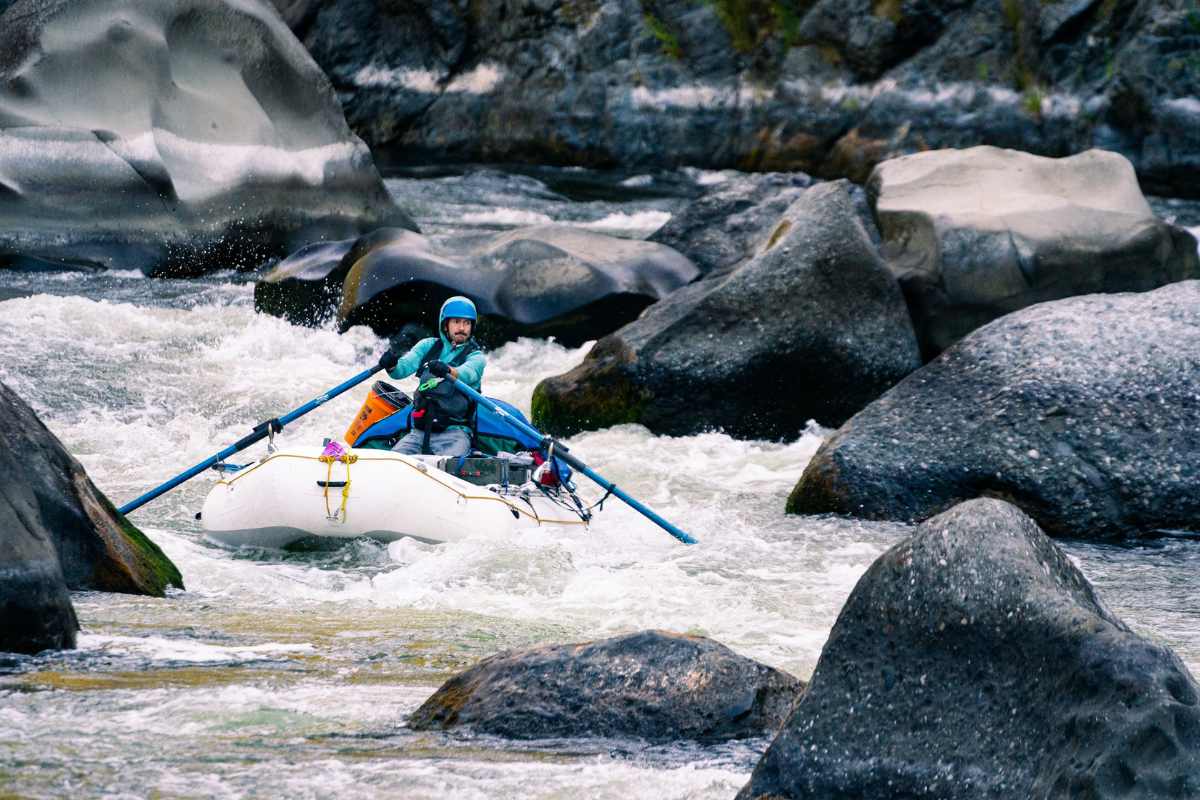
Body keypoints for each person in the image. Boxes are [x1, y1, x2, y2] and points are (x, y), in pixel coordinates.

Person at [377, 296, 486, 457]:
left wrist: (448, 371)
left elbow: (467, 373)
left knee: (447, 467)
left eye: (467, 323)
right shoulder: (428, 346)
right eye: (456, 321)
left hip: (456, 434)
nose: (462, 328)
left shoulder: (476, 357)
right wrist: (392, 364)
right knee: (394, 462)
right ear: (445, 325)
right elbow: (402, 369)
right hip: (419, 433)